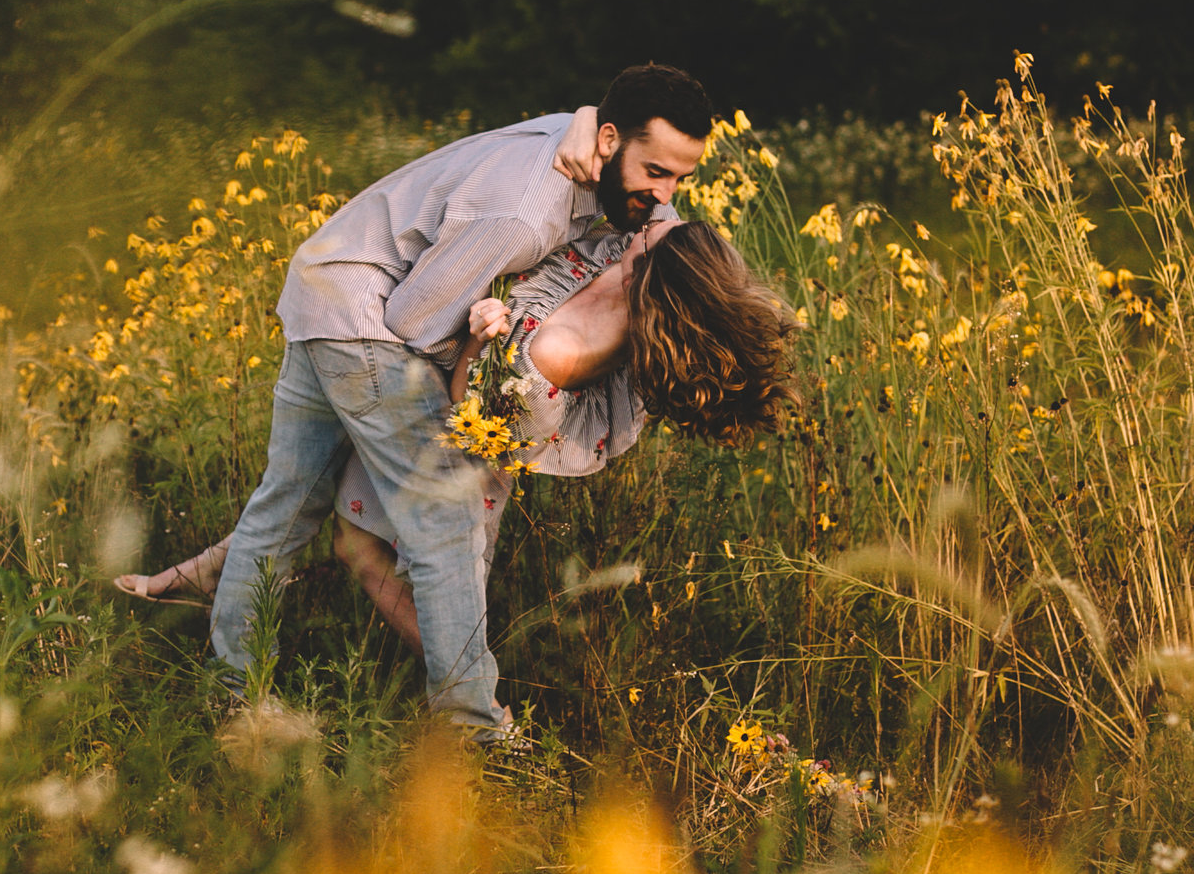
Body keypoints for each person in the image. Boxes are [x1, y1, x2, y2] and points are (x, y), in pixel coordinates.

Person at [164, 65, 717, 738]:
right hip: (366, 317)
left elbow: (662, 226)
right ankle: (475, 729)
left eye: (678, 179)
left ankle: (232, 692)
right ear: (607, 142)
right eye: (656, 172)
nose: (664, 196)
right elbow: (414, 319)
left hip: (322, 282)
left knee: (289, 501)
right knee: (446, 519)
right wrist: (493, 344)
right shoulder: (523, 215)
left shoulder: (586, 148)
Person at [121, 215, 800, 683]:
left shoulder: (560, 357)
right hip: (417, 384)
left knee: (365, 551)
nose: (654, 216)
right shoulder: (618, 262)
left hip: (457, 448)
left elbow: (468, 398)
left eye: (659, 230)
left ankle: (478, 692)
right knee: (319, 490)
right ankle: (209, 573)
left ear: (650, 269)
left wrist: (482, 329)